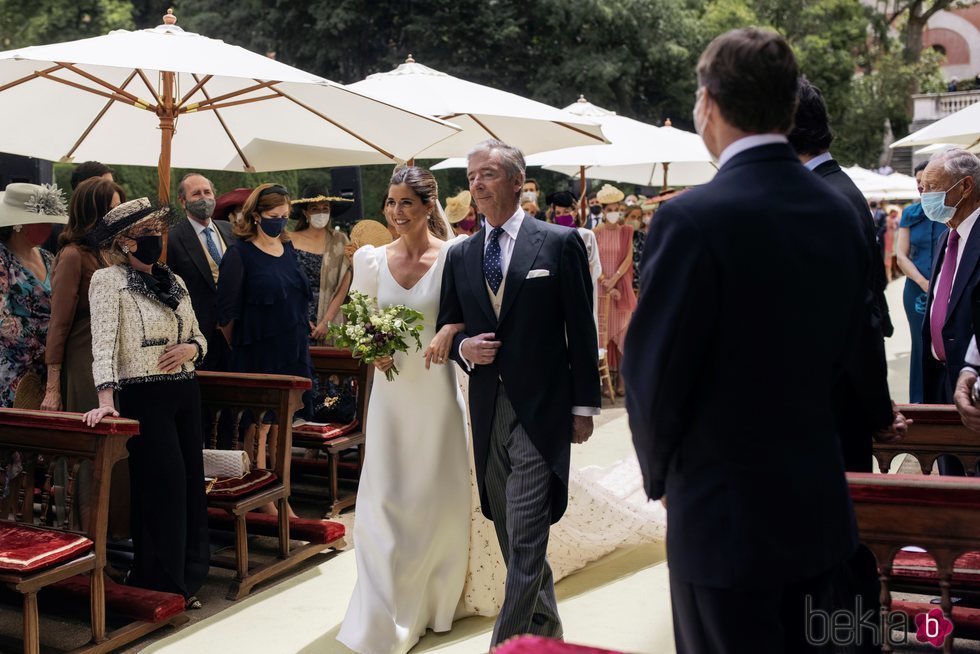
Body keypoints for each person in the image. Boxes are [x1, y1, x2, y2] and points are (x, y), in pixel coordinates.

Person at [623, 29, 897, 653]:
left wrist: (662, 475)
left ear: (710, 104)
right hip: (819, 504)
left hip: (724, 516)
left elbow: (653, 372)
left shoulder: (691, 218)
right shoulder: (839, 211)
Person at [438, 139, 600, 646]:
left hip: (543, 411)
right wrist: (466, 347)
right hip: (488, 412)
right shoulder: (460, 254)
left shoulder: (558, 242)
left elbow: (582, 329)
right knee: (512, 536)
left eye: (486, 174)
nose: (476, 185)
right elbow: (449, 325)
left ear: (516, 181)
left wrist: (583, 407)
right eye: (470, 177)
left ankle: (505, 644)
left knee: (527, 536)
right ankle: (548, 636)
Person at [338, 166, 470, 654]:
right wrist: (370, 346)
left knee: (435, 497)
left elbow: (473, 311)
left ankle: (436, 601)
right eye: (390, 203)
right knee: (384, 498)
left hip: (436, 395)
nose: (395, 212)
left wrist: (450, 329)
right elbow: (355, 321)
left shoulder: (454, 255)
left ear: (427, 205)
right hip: (391, 397)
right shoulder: (371, 260)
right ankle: (380, 609)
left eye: (405, 203)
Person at [82, 197, 210, 609]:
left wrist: (191, 349)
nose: (157, 237)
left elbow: (200, 337)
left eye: (158, 229)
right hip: (143, 396)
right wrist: (105, 397)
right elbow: (102, 343)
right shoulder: (107, 280)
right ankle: (160, 579)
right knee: (164, 486)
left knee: (190, 483)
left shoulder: (175, 280)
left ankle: (190, 576)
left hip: (186, 392)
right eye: (147, 232)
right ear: (125, 243)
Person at [216, 184, 316, 446]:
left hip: (293, 349)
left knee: (283, 425)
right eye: (274, 218)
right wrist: (245, 347)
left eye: (285, 216)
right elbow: (226, 316)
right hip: (257, 354)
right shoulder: (239, 254)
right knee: (256, 427)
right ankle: (258, 475)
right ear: (256, 215)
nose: (281, 223)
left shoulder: (288, 247)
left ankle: (282, 477)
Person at [920, 149, 980, 475]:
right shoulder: (947, 237)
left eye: (932, 187)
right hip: (942, 383)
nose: (925, 197)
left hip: (973, 390)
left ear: (965, 186)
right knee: (950, 475)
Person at [42, 178, 124, 413]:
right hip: (84, 360)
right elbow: (58, 322)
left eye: (119, 207)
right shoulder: (73, 255)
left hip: (116, 361)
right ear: (92, 211)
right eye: (111, 208)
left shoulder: (116, 253)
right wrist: (52, 388)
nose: (117, 214)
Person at [0, 183, 68, 407]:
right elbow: (2, 321)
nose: (49, 227)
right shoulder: (3, 260)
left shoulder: (49, 257)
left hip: (51, 372)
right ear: (19, 223)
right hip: (13, 373)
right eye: (43, 221)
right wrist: (42, 350)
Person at [166, 173, 236, 372]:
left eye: (207, 192)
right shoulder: (172, 238)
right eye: (196, 194)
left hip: (234, 335)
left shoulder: (231, 231)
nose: (204, 198)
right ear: (183, 201)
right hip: (197, 337)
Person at [897, 161, 945, 402]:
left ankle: (945, 397)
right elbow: (901, 256)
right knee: (920, 343)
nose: (920, 186)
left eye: (924, 181)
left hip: (947, 288)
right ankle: (920, 399)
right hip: (917, 290)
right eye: (917, 182)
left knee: (946, 340)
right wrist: (923, 282)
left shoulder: (948, 210)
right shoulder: (909, 214)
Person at [288, 184, 354, 344]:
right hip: (293, 313)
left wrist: (326, 322)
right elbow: (284, 282)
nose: (321, 213)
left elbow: (343, 287)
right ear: (305, 212)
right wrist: (300, 317)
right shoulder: (289, 239)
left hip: (329, 314)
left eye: (325, 208)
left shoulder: (340, 240)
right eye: (314, 209)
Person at [594, 196, 637, 398]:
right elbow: (592, 259)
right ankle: (605, 382)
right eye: (610, 209)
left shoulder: (627, 231)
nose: (614, 212)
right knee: (603, 335)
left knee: (623, 334)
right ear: (603, 211)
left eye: (617, 209)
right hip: (601, 289)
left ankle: (621, 380)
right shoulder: (596, 233)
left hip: (621, 289)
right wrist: (605, 282)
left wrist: (615, 280)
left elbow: (628, 258)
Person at [547, 190, 602, 330]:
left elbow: (595, 266)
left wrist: (580, 284)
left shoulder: (586, 235)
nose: (562, 216)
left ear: (575, 212)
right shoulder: (550, 236)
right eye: (558, 213)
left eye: (566, 211)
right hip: (557, 292)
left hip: (583, 290)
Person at [43, 160, 113, 254]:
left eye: (112, 184)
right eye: (105, 185)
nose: (113, 190)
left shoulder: (114, 225)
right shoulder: (58, 233)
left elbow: (125, 253)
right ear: (85, 189)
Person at [623, 204, 645, 297]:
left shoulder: (644, 237)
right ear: (625, 218)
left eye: (639, 218)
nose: (636, 220)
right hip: (621, 286)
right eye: (633, 217)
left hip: (640, 287)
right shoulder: (618, 235)